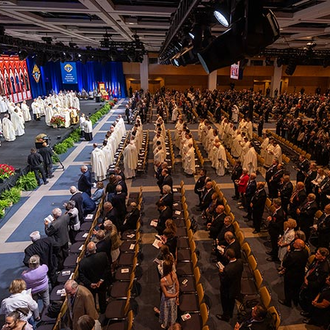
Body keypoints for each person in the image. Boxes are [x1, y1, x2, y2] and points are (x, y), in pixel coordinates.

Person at [78, 242, 111, 314]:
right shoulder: (103, 256)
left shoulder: (83, 262)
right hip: (101, 283)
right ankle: (103, 311)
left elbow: (81, 276)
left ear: (87, 251)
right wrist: (101, 280)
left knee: (92, 299)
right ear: (95, 248)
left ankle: (94, 312)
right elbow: (108, 269)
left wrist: (90, 284)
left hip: (91, 285)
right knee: (102, 297)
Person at [299, 247, 330, 316]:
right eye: (316, 253)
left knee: (310, 299)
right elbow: (311, 268)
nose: (315, 255)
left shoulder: (324, 269)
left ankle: (308, 313)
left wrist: (308, 283)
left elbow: (318, 283)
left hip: (313, 287)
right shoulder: (316, 259)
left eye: (318, 254)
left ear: (323, 257)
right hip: (308, 280)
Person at [278, 239, 308, 307]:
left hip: (291, 274)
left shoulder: (292, 255)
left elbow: (285, 264)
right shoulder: (305, 252)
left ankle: (287, 302)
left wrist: (289, 252)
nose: (293, 244)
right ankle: (295, 300)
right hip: (300, 274)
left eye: (294, 243)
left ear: (297, 246)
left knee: (288, 288)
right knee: (297, 288)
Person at [217, 249, 243, 322]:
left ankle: (226, 316)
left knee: (225, 304)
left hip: (227, 290)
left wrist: (221, 272)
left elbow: (223, 281)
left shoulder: (227, 269)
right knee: (232, 302)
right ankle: (230, 314)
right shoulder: (240, 262)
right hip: (236, 286)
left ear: (228, 257)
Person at [159, 259, 179, 329]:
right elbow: (177, 285)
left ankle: (165, 324)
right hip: (173, 295)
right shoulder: (174, 274)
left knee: (166, 311)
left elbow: (166, 294)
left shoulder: (163, 280)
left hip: (168, 298)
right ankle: (171, 324)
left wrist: (175, 295)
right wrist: (177, 296)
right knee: (172, 312)